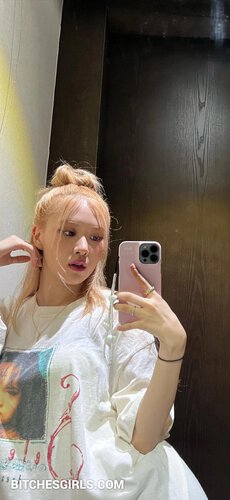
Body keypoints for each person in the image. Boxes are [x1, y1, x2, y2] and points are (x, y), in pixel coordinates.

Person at [0, 163, 207, 499]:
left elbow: (143, 438)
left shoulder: (116, 315)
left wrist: (173, 346)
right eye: (69, 232)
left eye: (96, 237)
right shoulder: (13, 318)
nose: (84, 247)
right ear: (38, 235)